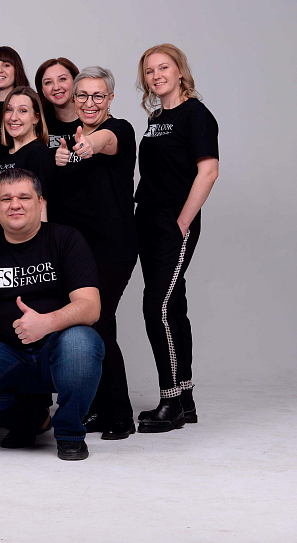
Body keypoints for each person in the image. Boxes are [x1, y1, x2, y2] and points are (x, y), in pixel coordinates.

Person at [0, 169, 104, 461]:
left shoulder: (65, 239)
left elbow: (91, 307)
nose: (14, 205)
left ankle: (69, 432)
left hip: (58, 350)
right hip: (8, 354)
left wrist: (46, 323)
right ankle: (31, 418)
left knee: (83, 341)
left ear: (40, 203)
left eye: (24, 197)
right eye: (6, 199)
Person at [134, 44, 219, 432]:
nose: (156, 76)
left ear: (179, 71)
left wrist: (182, 222)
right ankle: (185, 399)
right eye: (150, 71)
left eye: (163, 68)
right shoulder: (156, 117)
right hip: (147, 220)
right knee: (173, 306)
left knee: (157, 307)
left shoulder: (196, 114)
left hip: (173, 222)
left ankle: (170, 402)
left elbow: (208, 171)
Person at [52, 66, 138, 439]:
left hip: (113, 246)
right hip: (77, 251)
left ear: (110, 99)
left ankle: (120, 414)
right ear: (74, 98)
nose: (90, 102)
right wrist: (61, 159)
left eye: (98, 95)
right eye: (83, 95)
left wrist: (88, 145)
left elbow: (105, 140)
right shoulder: (66, 141)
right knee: (89, 325)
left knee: (97, 320)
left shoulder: (119, 130)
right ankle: (100, 407)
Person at [0, 87, 55, 225]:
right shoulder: (1, 155)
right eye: (9, 110)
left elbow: (41, 207)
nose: (13, 117)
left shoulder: (38, 152)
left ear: (36, 118)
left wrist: (42, 239)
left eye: (22, 111)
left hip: (22, 236)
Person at [35, 57, 81, 151]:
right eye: (48, 82)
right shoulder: (37, 122)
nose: (56, 87)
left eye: (62, 79)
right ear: (42, 90)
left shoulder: (93, 116)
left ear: (75, 81)